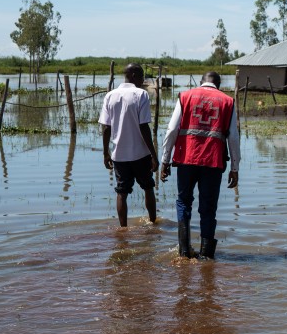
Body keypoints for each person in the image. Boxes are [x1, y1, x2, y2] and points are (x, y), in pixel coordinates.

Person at [160, 71, 240, 259]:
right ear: (218, 85)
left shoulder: (186, 96)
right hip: (213, 161)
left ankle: (184, 252)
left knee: (183, 202)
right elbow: (234, 138)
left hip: (187, 158)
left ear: (201, 82)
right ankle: (206, 256)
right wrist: (235, 168)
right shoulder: (227, 101)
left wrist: (165, 160)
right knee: (208, 207)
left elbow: (171, 130)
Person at [99, 63, 158, 227]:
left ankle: (123, 230)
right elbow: (144, 126)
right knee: (148, 187)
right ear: (133, 75)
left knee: (121, 192)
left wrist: (106, 153)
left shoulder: (110, 95)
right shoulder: (141, 94)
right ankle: (153, 224)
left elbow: (106, 128)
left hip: (119, 155)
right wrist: (153, 155)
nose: (143, 80)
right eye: (141, 76)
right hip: (141, 154)